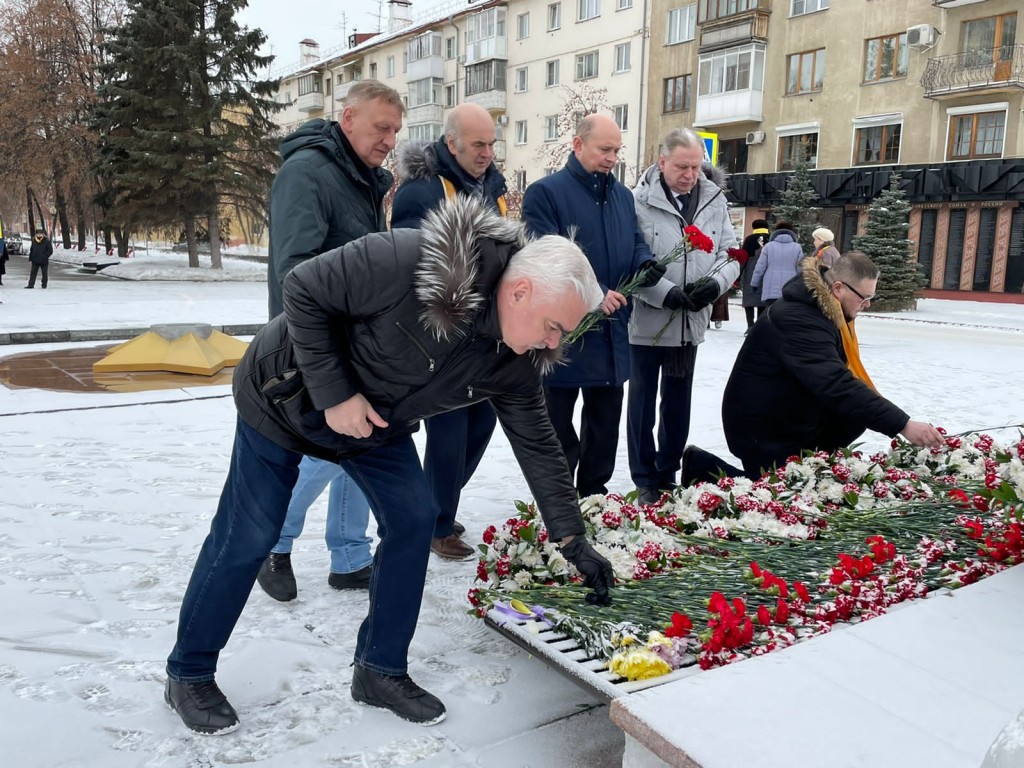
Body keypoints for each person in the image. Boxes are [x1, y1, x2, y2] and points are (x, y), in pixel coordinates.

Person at [163, 195, 615, 734]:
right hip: (284, 395)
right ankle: (187, 672)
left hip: (373, 424)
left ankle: (379, 669)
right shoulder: (411, 259)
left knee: (414, 517)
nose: (553, 342)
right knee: (249, 533)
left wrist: (573, 541)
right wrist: (335, 395)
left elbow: (539, 446)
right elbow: (303, 288)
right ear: (520, 291)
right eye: (555, 327)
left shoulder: (514, 359)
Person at [256, 80, 403, 602]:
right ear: (347, 118)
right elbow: (296, 274)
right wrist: (318, 359)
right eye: (381, 127)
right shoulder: (307, 174)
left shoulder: (362, 179)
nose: (389, 139)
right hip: (317, 346)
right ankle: (273, 544)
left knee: (362, 437)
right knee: (322, 451)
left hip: (361, 342)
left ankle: (349, 555)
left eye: (395, 131)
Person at [391, 103, 507, 561]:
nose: (487, 152)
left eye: (492, 143)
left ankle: (433, 503)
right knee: (449, 428)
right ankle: (436, 524)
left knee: (482, 419)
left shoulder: (491, 183)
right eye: (478, 144)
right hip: (442, 331)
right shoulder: (422, 190)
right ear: (451, 143)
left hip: (484, 328)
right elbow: (407, 261)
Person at [721, 251, 944, 478]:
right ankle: (704, 469)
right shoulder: (800, 320)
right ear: (838, 288)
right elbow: (836, 383)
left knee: (854, 415)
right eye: (863, 298)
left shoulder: (822, 310)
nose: (867, 305)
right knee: (776, 492)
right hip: (763, 429)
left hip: (789, 414)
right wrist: (902, 424)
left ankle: (803, 468)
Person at [521, 113, 652, 497]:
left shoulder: (623, 196)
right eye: (604, 149)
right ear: (578, 145)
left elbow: (634, 238)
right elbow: (545, 257)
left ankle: (594, 496)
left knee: (605, 424)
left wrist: (644, 262)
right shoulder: (545, 193)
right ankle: (559, 504)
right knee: (558, 429)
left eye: (616, 150)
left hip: (612, 331)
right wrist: (595, 293)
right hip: (563, 334)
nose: (612, 157)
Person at [626, 128, 739, 504]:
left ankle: (667, 471)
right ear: (662, 163)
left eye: (696, 166)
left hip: (690, 324)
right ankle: (644, 477)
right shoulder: (638, 202)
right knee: (642, 404)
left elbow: (730, 252)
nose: (691, 175)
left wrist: (715, 284)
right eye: (682, 167)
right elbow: (629, 260)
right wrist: (665, 294)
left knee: (677, 402)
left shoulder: (714, 199)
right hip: (647, 324)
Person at [750, 220, 803, 308]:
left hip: (771, 289)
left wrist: (754, 283)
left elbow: (760, 267)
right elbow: (801, 269)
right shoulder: (797, 247)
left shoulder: (768, 246)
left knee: (771, 315)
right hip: (790, 289)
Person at [740, 218, 770, 332]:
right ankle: (759, 326)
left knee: (749, 300)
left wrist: (738, 276)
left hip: (751, 271)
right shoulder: (771, 238)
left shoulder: (749, 239)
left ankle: (750, 325)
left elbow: (743, 258)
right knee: (763, 300)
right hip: (767, 272)